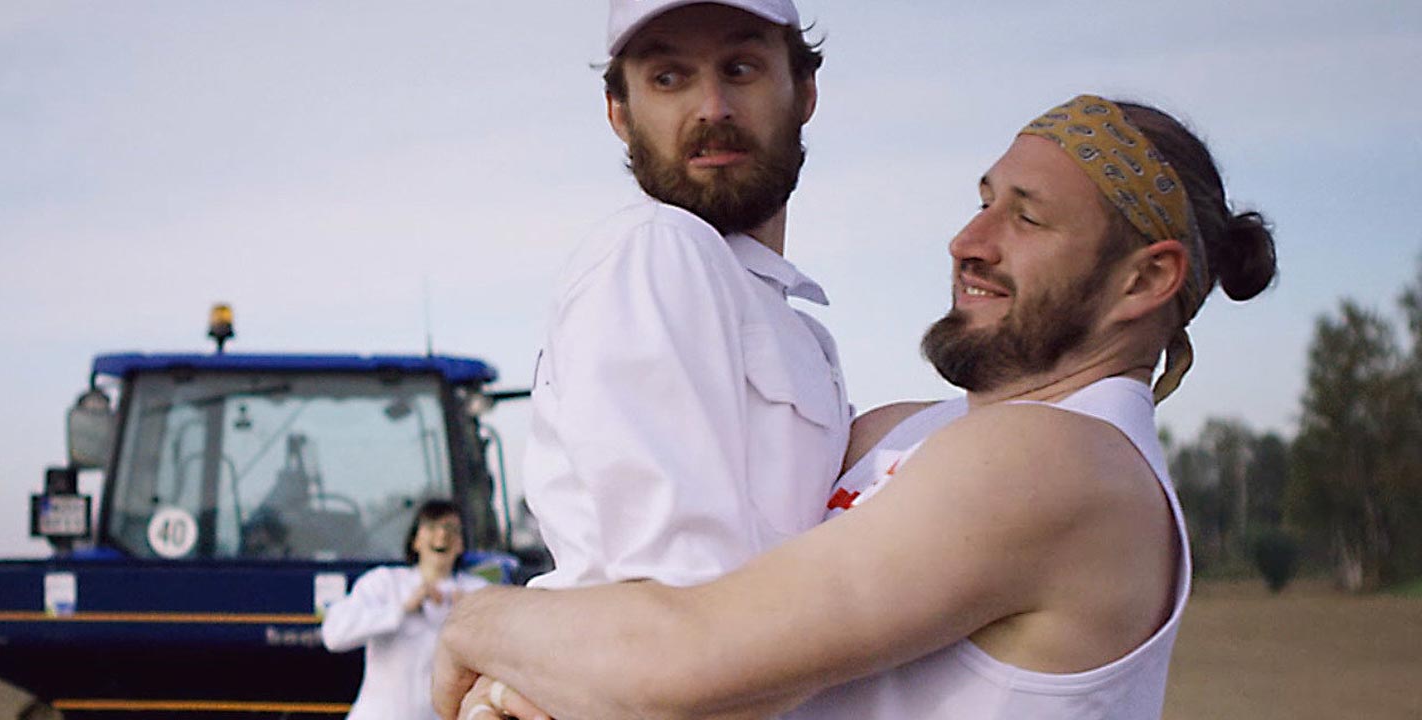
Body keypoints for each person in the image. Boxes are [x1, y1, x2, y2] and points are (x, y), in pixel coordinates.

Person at [433, 94, 1278, 720]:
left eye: (1026, 219)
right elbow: (664, 614)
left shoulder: (1065, 464)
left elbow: (680, 666)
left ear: (1145, 279)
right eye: (983, 201)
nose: (968, 242)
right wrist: (535, 685)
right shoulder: (898, 434)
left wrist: (478, 624)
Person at [523, 0, 847, 590]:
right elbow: (676, 598)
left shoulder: (783, 315)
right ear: (620, 113)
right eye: (669, 78)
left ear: (805, 91)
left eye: (740, 68)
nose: (712, 108)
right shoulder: (657, 247)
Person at [320, 499, 488, 720]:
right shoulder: (384, 583)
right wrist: (400, 609)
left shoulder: (477, 592)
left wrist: (473, 616)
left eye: (451, 529)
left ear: (461, 544)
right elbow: (333, 635)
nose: (442, 535)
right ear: (415, 541)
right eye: (431, 527)